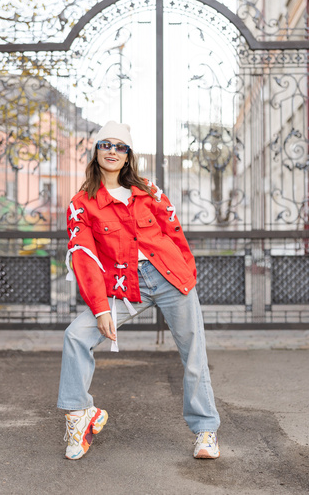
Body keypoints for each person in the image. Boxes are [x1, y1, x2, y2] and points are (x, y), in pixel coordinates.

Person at [57, 120, 220, 460]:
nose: (113, 151)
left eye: (120, 146)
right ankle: (79, 414)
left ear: (129, 155)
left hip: (169, 277)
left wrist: (186, 272)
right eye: (106, 145)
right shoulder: (82, 203)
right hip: (125, 285)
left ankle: (205, 430)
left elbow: (174, 232)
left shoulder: (149, 192)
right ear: (96, 151)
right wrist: (101, 309)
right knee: (76, 334)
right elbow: (84, 256)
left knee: (194, 354)